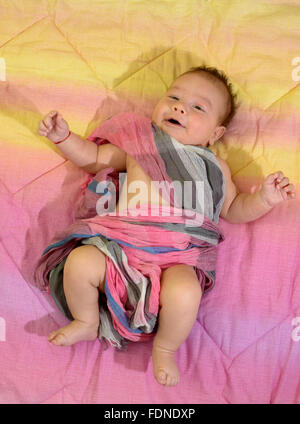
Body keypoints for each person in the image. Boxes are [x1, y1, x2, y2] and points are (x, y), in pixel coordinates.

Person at [37, 66, 295, 386]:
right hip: (120, 245)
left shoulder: (214, 167)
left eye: (198, 107)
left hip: (177, 254)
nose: (179, 107)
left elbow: (232, 208)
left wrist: (265, 199)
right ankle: (86, 319)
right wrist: (63, 137)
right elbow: (95, 158)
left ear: (215, 134)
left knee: (186, 292)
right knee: (79, 262)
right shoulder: (140, 142)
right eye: (173, 97)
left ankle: (166, 346)